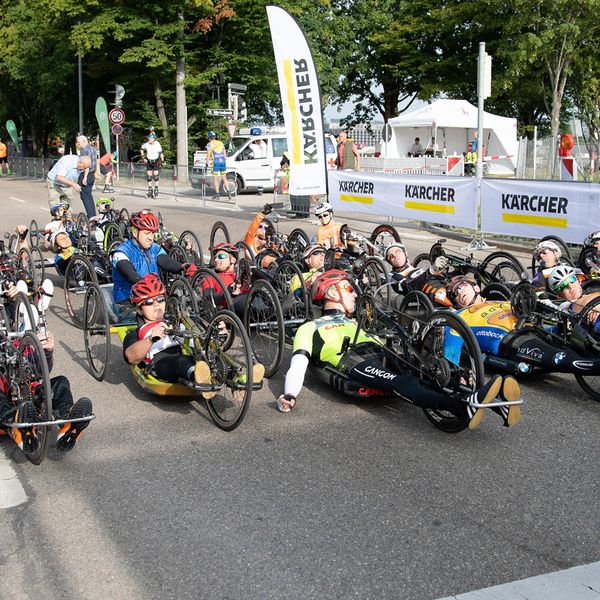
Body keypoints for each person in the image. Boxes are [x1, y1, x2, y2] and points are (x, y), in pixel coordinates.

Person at [277, 269, 520, 430]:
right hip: (352, 361)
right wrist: (290, 394)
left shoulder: (356, 320)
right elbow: (298, 364)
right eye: (347, 289)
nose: (354, 293)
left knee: (424, 370)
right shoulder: (309, 328)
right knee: (401, 381)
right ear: (331, 292)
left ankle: (497, 402)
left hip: (380, 352)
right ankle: (461, 406)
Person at [0, 329, 93, 454]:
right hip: (4, 411)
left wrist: (46, 352)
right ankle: (17, 426)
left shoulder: (16, 341)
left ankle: (69, 424)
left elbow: (41, 372)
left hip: (27, 400)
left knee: (60, 382)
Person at [122, 274, 212, 387]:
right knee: (180, 361)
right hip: (161, 362)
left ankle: (236, 378)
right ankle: (198, 376)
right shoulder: (137, 332)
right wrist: (150, 339)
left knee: (211, 355)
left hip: (191, 354)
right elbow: (131, 357)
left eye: (160, 299)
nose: (156, 304)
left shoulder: (180, 322)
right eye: (149, 302)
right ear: (140, 310)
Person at [111, 209, 196, 313]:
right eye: (147, 233)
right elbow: (129, 273)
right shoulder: (122, 252)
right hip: (128, 299)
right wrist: (146, 283)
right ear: (134, 232)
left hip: (153, 296)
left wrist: (182, 267)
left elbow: (165, 261)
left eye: (153, 233)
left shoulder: (155, 248)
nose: (151, 238)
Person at [76, 135, 97, 218]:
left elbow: (87, 165)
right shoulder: (93, 149)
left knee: (85, 196)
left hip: (86, 174)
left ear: (84, 141)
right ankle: (93, 215)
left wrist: (84, 177)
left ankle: (90, 216)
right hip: (92, 174)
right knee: (89, 195)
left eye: (79, 142)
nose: (78, 144)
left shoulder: (85, 150)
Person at [206, 131, 229, 200]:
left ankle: (217, 194)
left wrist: (207, 163)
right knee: (224, 177)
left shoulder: (209, 144)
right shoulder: (221, 143)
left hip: (216, 162)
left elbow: (208, 155)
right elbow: (225, 155)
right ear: (214, 137)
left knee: (215, 179)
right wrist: (224, 159)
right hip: (223, 162)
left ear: (209, 138)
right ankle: (229, 191)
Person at [140, 133, 165, 199]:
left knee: (156, 176)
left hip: (156, 161)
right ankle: (150, 189)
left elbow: (161, 152)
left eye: (150, 138)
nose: (149, 139)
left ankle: (156, 188)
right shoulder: (146, 144)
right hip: (149, 161)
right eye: (149, 138)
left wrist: (162, 160)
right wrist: (143, 157)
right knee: (149, 177)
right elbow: (141, 149)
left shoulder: (157, 144)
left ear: (154, 139)